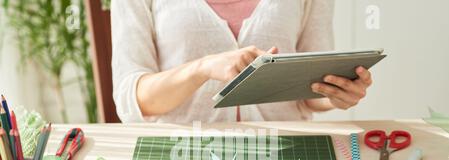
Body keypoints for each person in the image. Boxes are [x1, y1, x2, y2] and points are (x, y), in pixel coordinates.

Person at [111, 0, 373, 123]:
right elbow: (133, 99)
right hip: (183, 154)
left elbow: (312, 89)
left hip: (286, 154)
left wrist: (336, 94)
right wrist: (203, 68)